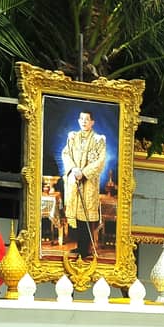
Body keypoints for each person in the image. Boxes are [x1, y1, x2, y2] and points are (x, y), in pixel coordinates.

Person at [61, 109, 108, 256]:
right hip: (75, 179)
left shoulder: (98, 140)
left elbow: (100, 161)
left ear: (92, 122)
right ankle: (79, 246)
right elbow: (66, 154)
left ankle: (85, 248)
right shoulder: (72, 137)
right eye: (81, 119)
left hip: (89, 182)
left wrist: (84, 173)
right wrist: (74, 169)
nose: (83, 122)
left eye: (86, 119)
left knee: (86, 215)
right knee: (76, 214)